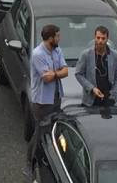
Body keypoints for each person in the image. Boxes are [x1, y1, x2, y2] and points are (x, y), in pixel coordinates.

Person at [26, 24, 68, 178]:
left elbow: (65, 71)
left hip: (56, 97)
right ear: (50, 38)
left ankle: (49, 158)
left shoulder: (57, 50)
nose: (59, 38)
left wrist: (55, 73)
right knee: (40, 133)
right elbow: (47, 78)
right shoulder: (38, 54)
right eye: (57, 36)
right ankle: (29, 164)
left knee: (51, 130)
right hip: (42, 101)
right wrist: (57, 74)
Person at [74, 25, 117, 107]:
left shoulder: (114, 55)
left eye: (103, 38)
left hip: (109, 100)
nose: (100, 41)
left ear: (107, 39)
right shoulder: (86, 55)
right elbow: (78, 74)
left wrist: (113, 94)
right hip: (90, 100)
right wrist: (92, 88)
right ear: (94, 38)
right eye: (98, 38)